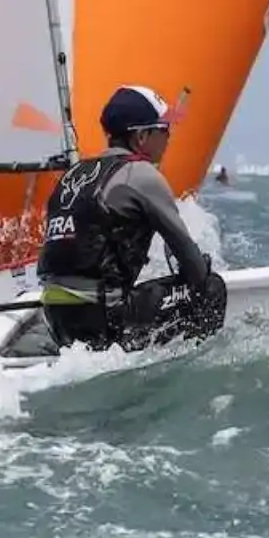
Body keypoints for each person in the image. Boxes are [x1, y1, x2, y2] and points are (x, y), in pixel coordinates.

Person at [36, 84, 227, 353]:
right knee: (210, 288)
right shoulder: (141, 175)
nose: (169, 137)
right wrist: (198, 271)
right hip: (106, 321)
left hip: (56, 319)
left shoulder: (73, 175)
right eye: (163, 130)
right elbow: (193, 266)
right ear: (140, 137)